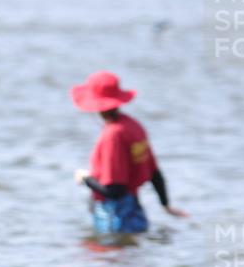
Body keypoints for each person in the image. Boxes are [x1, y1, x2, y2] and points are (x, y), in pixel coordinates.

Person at [71, 71, 188, 234]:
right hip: (135, 211)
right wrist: (165, 205)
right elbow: (154, 172)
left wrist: (85, 178)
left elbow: (114, 190)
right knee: (133, 254)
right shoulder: (134, 126)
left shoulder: (112, 135)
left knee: (107, 256)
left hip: (114, 216)